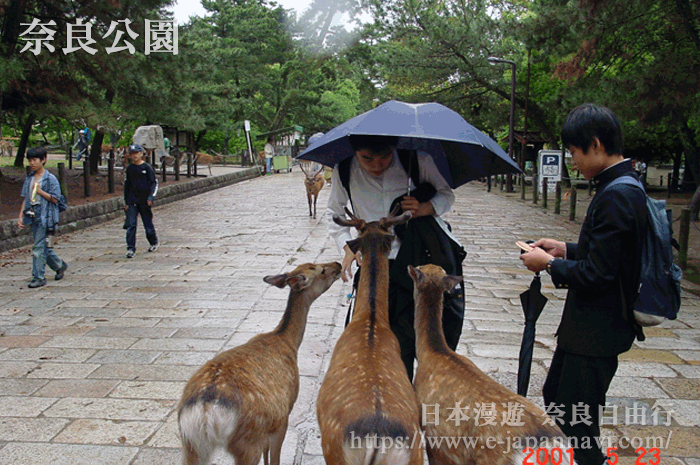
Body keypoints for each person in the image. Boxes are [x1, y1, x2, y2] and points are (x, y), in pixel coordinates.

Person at [520, 104, 648, 465]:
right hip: (591, 328)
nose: (571, 161)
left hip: (597, 329)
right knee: (561, 399)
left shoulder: (617, 194)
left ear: (594, 144)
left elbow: (598, 274)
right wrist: (564, 249)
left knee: (575, 419)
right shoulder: (623, 185)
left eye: (574, 153)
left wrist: (550, 264)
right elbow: (609, 254)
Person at [326, 134, 464, 380]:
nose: (376, 165)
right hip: (374, 266)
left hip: (415, 261)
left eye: (384, 158)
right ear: (355, 152)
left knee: (417, 338)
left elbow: (446, 195)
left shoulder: (417, 160)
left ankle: (415, 395)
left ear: (394, 148)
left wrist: (424, 208)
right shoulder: (345, 169)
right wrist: (346, 246)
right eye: (367, 159)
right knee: (373, 338)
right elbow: (333, 212)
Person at [17, 147, 68, 288]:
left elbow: (56, 199)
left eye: (35, 160)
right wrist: (20, 215)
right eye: (30, 160)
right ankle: (59, 265)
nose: (32, 163)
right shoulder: (29, 178)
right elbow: (25, 198)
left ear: (43, 160)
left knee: (38, 248)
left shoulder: (50, 179)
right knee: (46, 247)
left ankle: (38, 277)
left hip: (47, 216)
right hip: (32, 214)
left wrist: (40, 191)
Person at [123, 144, 159, 258]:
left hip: (144, 200)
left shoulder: (147, 168)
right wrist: (126, 202)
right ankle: (130, 248)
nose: (135, 155)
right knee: (131, 225)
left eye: (137, 153)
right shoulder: (129, 169)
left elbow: (154, 183)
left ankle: (153, 241)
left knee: (147, 224)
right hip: (132, 201)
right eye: (132, 153)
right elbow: (126, 186)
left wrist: (151, 197)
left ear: (141, 154)